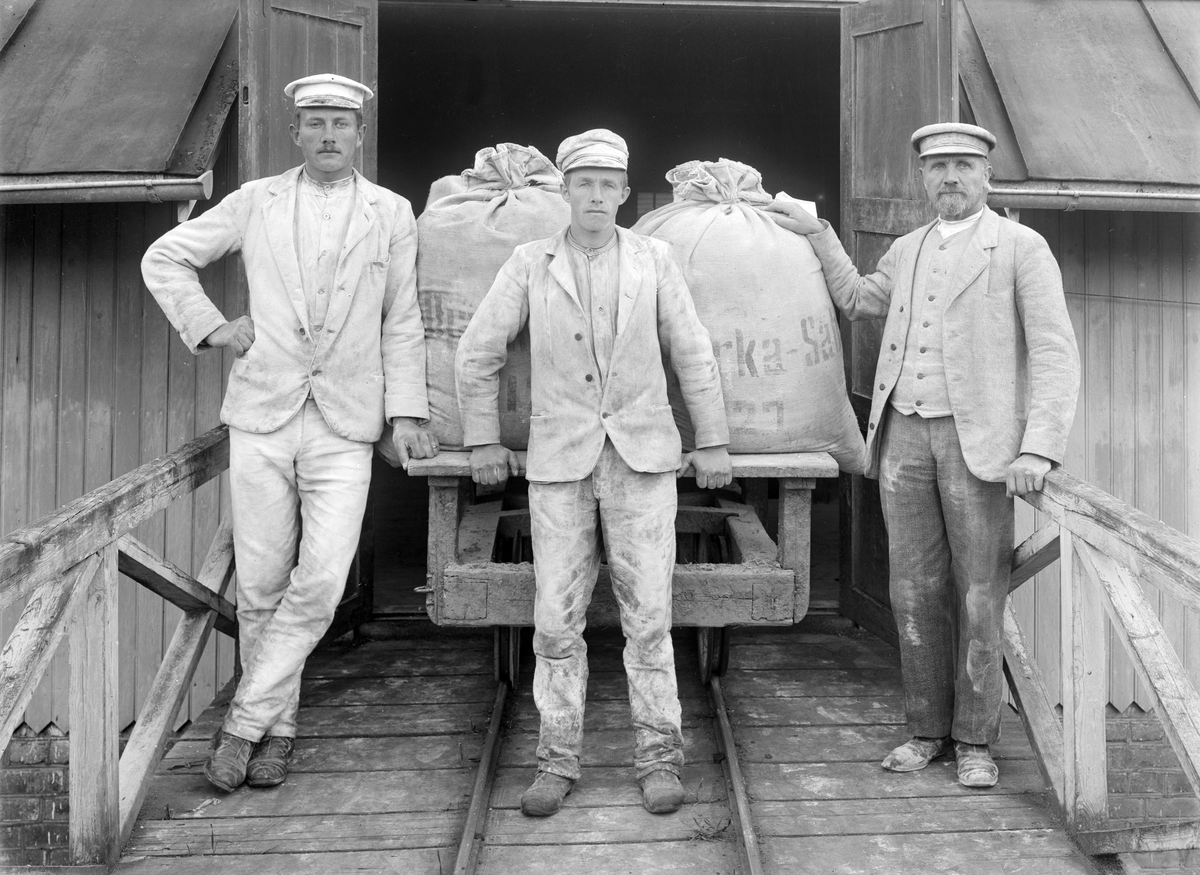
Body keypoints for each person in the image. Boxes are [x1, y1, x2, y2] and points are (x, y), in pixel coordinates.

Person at [141, 73, 437, 792]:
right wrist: (214, 327)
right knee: (262, 585)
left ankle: (241, 723)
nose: (329, 135)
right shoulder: (255, 202)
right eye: (316, 122)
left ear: (359, 133)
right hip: (263, 414)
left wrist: (406, 412)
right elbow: (164, 257)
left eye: (341, 123)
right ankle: (279, 733)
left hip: (345, 422)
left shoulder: (391, 212)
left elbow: (402, 318)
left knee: (323, 581)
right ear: (296, 132)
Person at [767, 122, 1080, 788]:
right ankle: (926, 730)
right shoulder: (907, 249)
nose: (950, 178)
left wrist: (1039, 447)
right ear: (923, 177)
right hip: (903, 435)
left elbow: (1055, 351)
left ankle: (975, 741)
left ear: (987, 175)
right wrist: (817, 231)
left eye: (963, 165)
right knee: (912, 589)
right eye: (938, 167)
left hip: (978, 447)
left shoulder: (1021, 247)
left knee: (980, 593)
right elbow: (858, 299)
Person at [455, 129, 733, 816]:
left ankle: (659, 757)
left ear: (626, 192)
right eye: (585, 184)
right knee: (555, 619)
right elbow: (478, 352)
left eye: (610, 185)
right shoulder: (530, 262)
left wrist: (714, 441)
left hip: (643, 459)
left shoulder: (654, 259)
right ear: (565, 191)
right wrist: (483, 438)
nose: (598, 197)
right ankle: (556, 760)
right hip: (560, 461)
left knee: (649, 617)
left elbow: (692, 351)